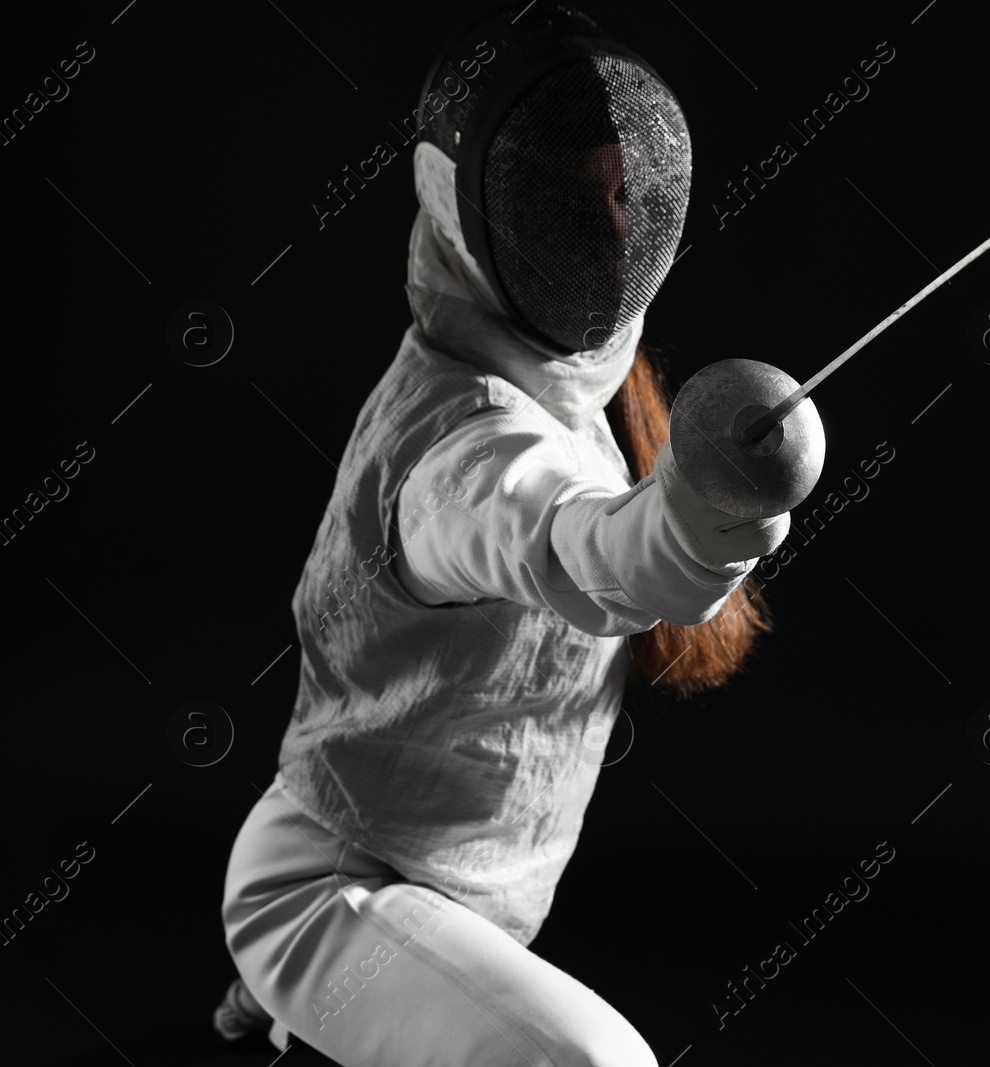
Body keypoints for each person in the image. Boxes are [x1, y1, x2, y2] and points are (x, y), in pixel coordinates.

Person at [212, 6, 797, 1063]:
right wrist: (709, 514)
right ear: (474, 212)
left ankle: (305, 990)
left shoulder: (576, 411)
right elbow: (585, 551)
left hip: (441, 912)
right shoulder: (455, 450)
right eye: (572, 194)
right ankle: (293, 962)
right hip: (332, 892)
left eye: (631, 188)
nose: (617, 226)